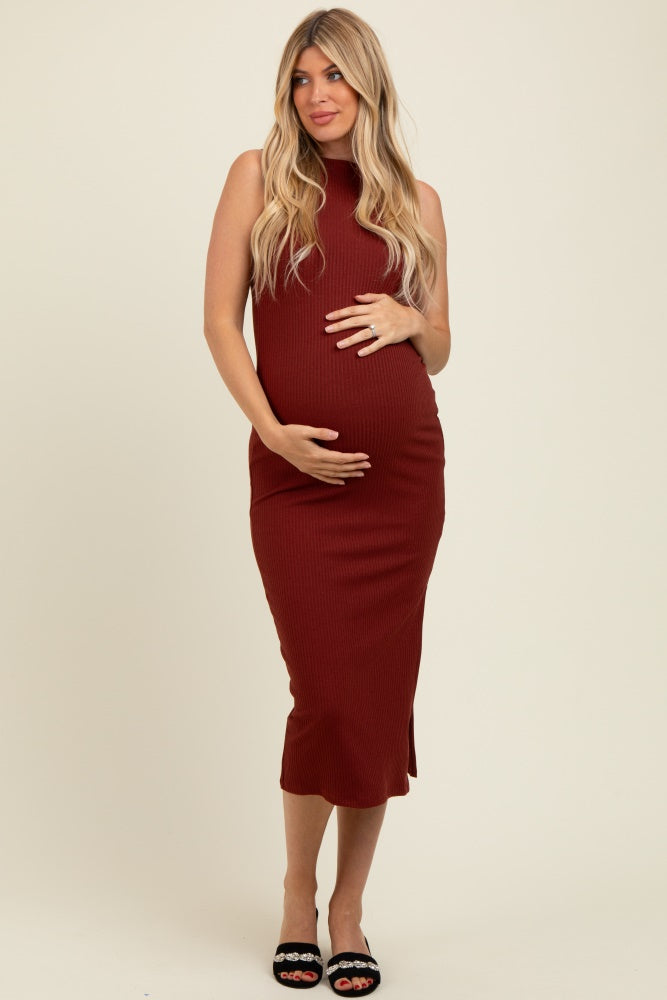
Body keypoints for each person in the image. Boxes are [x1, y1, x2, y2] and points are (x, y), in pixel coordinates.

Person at [203, 7, 451, 994]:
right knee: (326, 695)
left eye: (333, 75)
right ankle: (295, 895)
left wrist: (410, 318)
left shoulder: (418, 202)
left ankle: (346, 911)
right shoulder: (257, 178)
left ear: (367, 83)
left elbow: (442, 347)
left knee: (374, 701)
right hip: (293, 488)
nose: (316, 94)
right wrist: (270, 431)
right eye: (301, 79)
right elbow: (220, 322)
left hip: (401, 488)